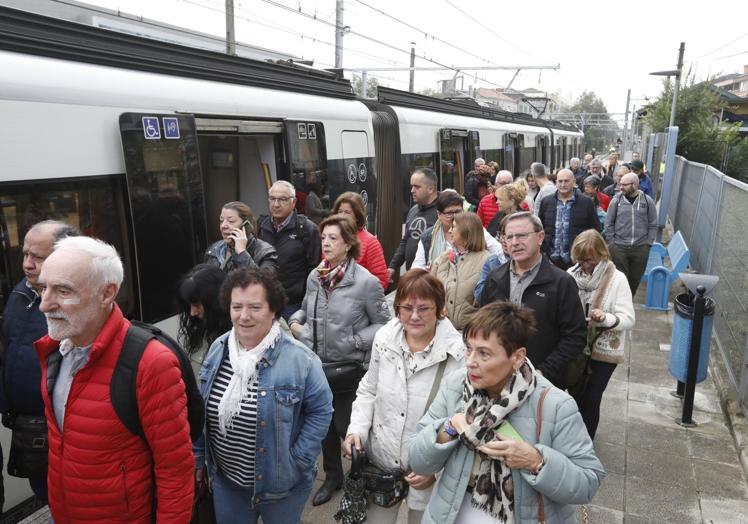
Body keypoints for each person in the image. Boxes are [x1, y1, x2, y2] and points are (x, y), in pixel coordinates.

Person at [36, 236, 194, 522]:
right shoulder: (53, 350)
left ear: (107, 293)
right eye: (42, 288)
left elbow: (175, 471)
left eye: (62, 291)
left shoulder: (150, 363)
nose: (44, 305)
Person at [408, 301, 605, 524]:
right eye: (469, 349)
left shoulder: (555, 405)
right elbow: (417, 460)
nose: (470, 362)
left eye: (484, 354)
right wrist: (450, 426)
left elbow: (588, 482)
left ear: (517, 357)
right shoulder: (456, 387)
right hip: (452, 513)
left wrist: (536, 461)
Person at [193, 267, 333, 523]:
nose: (244, 316)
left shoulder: (301, 360)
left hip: (283, 488)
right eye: (237, 307)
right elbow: (202, 410)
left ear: (274, 310)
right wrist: (199, 459)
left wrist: (299, 460)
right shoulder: (218, 349)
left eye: (255, 307)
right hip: (227, 485)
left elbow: (322, 409)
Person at [343, 269, 465, 524]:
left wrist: (437, 470)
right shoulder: (384, 339)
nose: (415, 316)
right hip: (382, 466)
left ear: (440, 309)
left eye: (424, 308)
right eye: (407, 307)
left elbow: (461, 421)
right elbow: (369, 389)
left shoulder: (458, 356)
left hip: (427, 474)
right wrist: (357, 431)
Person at [289, 214, 391, 506]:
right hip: (316, 368)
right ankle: (332, 476)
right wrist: (296, 324)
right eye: (323, 238)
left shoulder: (366, 283)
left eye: (333, 238)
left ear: (348, 244)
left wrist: (355, 342)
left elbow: (384, 324)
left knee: (348, 427)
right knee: (323, 429)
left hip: (349, 371)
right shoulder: (315, 276)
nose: (326, 243)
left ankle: (359, 477)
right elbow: (305, 309)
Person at [0, 220, 78, 503]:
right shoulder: (21, 293)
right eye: (25, 254)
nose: (27, 264)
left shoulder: (78, 302)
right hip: (30, 429)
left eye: (38, 257)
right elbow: (9, 347)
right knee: (47, 494)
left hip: (65, 432)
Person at [479, 212, 587, 389]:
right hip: (497, 379)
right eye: (509, 237)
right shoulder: (495, 278)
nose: (515, 242)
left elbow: (575, 336)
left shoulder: (561, 283)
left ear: (540, 237)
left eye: (522, 235)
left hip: (542, 383)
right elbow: (483, 327)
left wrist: (543, 372)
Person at [568, 231, 635, 439]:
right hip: (577, 349)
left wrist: (604, 318)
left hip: (603, 351)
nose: (584, 265)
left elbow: (628, 319)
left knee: (592, 397)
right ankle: (574, 440)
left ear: (602, 254)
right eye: (580, 260)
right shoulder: (571, 274)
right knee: (575, 397)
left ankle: (586, 443)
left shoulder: (617, 279)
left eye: (589, 260)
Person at [257, 181, 321, 320]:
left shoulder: (307, 229)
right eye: (272, 199)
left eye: (282, 199)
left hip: (294, 304)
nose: (276, 204)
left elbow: (314, 268)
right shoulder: (261, 226)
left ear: (294, 202)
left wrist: (307, 302)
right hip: (265, 301)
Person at [413, 191, 503, 270]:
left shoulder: (475, 229)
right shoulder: (429, 236)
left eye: (458, 212)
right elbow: (417, 267)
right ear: (439, 214)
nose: (455, 217)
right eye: (449, 213)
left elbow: (499, 252)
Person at [430, 212, 490, 330]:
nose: (449, 231)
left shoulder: (487, 261)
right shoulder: (443, 258)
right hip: (441, 329)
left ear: (467, 230)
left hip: (471, 333)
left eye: (454, 226)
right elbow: (429, 291)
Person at [604, 173, 657, 296]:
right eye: (620, 184)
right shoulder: (616, 200)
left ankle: (628, 302)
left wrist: (648, 244)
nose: (620, 187)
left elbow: (653, 223)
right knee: (620, 279)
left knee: (634, 280)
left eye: (624, 185)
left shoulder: (647, 201)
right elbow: (608, 223)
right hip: (619, 248)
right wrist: (612, 244)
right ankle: (620, 303)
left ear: (634, 185)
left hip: (640, 248)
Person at [537, 169, 600, 271]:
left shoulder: (586, 203)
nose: (563, 184)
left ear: (574, 182)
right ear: (556, 182)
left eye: (566, 181)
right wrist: (543, 249)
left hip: (577, 260)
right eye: (560, 181)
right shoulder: (547, 202)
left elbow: (595, 229)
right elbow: (540, 227)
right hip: (551, 259)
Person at [177, 263, 231, 376]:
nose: (192, 313)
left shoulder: (239, 340)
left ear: (214, 302)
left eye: (197, 305)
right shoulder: (201, 329)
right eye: (189, 305)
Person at [388, 168, 439, 281]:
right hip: (413, 276)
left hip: (432, 278)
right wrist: (393, 266)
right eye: (412, 186)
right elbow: (406, 240)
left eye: (417, 187)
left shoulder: (442, 212)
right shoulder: (413, 210)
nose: (412, 190)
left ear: (430, 189)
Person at [332, 191, 388, 290]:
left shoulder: (370, 242)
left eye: (347, 212)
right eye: (340, 212)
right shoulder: (329, 238)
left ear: (357, 217)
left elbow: (381, 281)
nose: (342, 216)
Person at [206, 201, 279, 273]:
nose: (223, 226)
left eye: (231, 221)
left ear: (245, 226)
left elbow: (263, 282)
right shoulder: (214, 249)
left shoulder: (265, 252)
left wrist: (242, 253)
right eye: (221, 220)